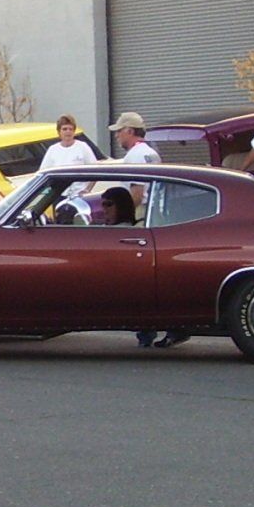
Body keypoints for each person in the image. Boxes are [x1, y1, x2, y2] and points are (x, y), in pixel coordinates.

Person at [108, 114, 185, 347]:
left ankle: (147, 331)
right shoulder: (151, 152)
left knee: (135, 280)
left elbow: (137, 192)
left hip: (141, 221)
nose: (117, 135)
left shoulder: (134, 156)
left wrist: (125, 220)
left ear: (130, 131)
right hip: (158, 220)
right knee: (155, 280)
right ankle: (173, 327)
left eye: (120, 131)